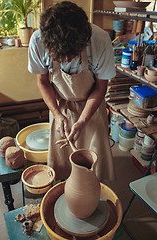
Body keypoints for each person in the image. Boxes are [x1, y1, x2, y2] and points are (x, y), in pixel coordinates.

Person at [28, 1, 116, 182]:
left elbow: (101, 86)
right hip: (59, 103)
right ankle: (65, 189)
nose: (67, 59)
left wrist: (83, 120)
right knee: (61, 162)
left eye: (73, 53)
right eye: (61, 56)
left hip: (93, 105)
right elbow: (43, 81)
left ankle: (91, 190)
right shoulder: (37, 40)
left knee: (95, 163)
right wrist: (57, 114)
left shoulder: (99, 40)